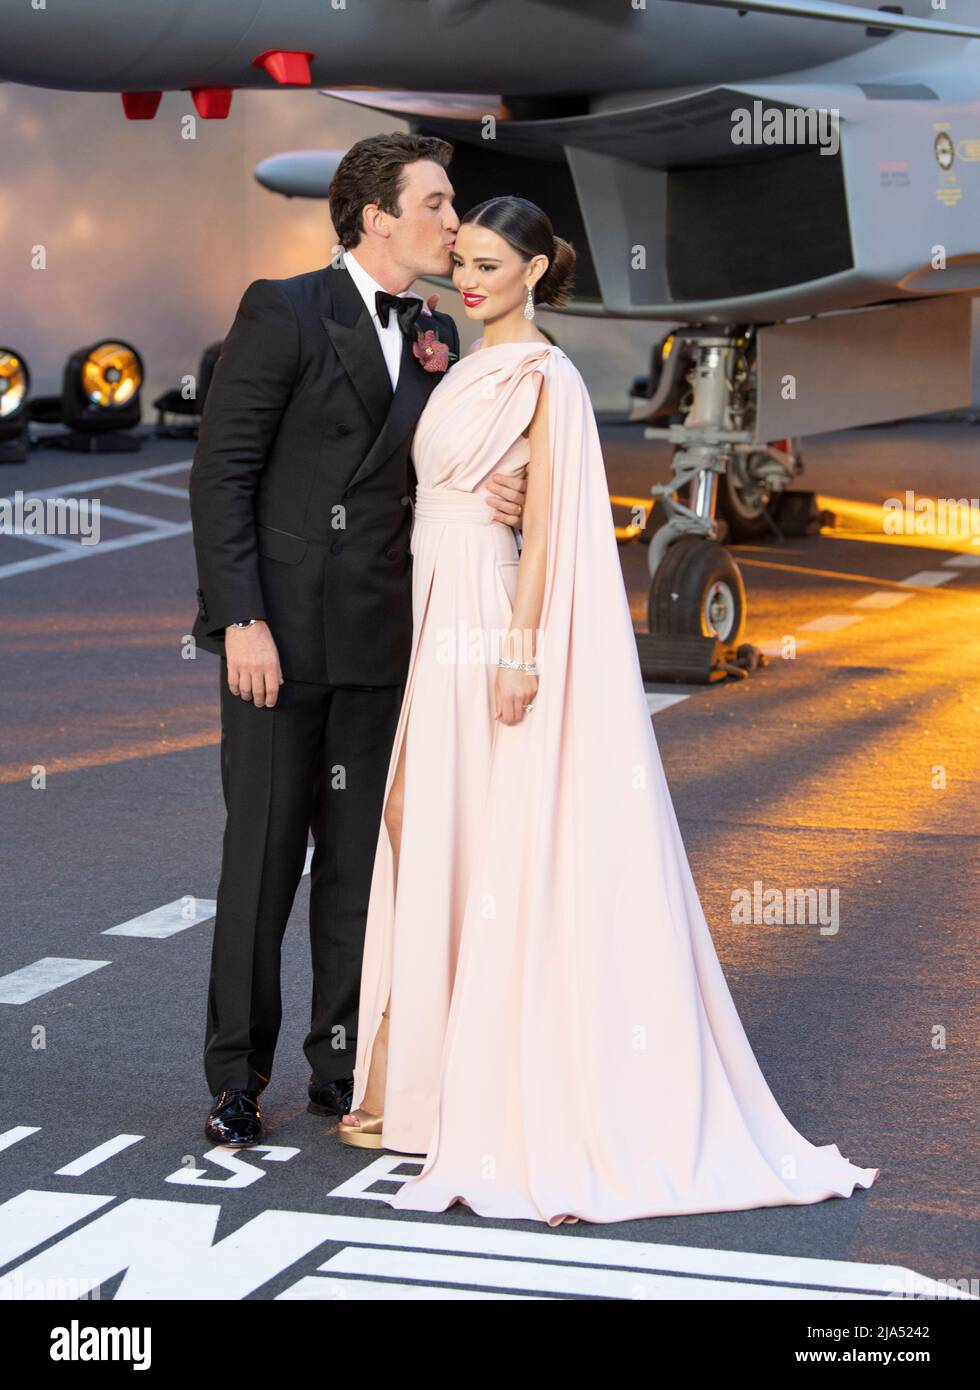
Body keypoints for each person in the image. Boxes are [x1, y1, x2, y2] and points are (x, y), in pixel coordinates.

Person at [338, 195, 880, 1226]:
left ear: (536, 271)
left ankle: (473, 1081)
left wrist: (521, 653)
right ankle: (427, 1078)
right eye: (464, 260)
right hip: (435, 601)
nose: (470, 276)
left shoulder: (545, 376)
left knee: (462, 829)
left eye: (491, 263)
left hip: (486, 617)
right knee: (424, 821)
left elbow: (544, 536)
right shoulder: (459, 360)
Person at [188, 133, 526, 1146]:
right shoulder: (281, 309)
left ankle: (342, 1066)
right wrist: (238, 619)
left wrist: (495, 490)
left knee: (358, 865)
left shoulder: (435, 330)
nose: (452, 224)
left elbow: (436, 468)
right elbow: (223, 477)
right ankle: (235, 1073)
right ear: (375, 217)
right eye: (434, 204)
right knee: (260, 862)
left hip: (386, 638)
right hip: (279, 643)